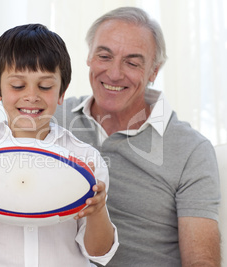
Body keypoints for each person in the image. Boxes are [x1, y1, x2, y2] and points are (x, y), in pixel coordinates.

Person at [53, 6, 221, 267]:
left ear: (154, 71)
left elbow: (201, 261)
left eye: (132, 62)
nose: (115, 73)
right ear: (89, 57)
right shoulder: (52, 119)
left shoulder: (192, 149)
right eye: (104, 56)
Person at [0, 24, 119, 267]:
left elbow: (99, 252)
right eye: (17, 86)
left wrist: (98, 211)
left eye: (45, 86)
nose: (32, 96)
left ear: (61, 92)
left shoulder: (85, 160)